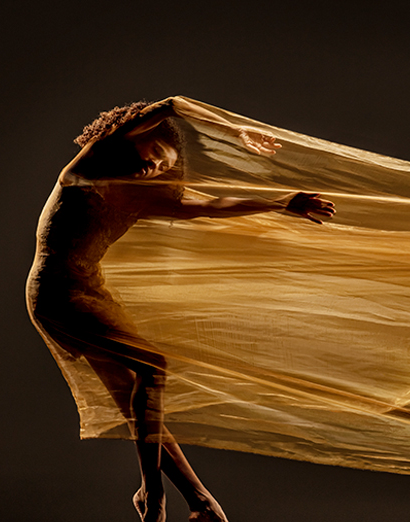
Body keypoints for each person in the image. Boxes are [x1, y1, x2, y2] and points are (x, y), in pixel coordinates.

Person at [26, 96, 335, 522]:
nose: (155, 169)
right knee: (154, 367)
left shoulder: (139, 199)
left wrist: (281, 202)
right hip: (56, 292)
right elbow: (171, 104)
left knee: (135, 398)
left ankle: (200, 501)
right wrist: (234, 130)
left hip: (91, 290)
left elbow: (210, 206)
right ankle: (153, 493)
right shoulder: (90, 166)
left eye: (164, 167)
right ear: (136, 140)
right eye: (153, 156)